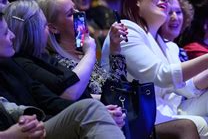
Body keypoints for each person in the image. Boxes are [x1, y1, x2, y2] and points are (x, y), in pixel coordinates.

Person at [101, 0, 208, 138]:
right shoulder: (127, 29)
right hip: (139, 116)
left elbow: (186, 87)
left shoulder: (168, 46)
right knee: (206, 125)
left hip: (171, 111)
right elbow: (162, 75)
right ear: (137, 1)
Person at [0, 11, 126, 139]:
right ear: (53, 27)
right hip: (37, 123)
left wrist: (115, 50)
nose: (12, 35)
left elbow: (49, 100)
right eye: (70, 13)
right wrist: (90, 52)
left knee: (107, 110)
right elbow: (70, 93)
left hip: (39, 121)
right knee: (93, 110)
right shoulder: (52, 60)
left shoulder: (16, 63)